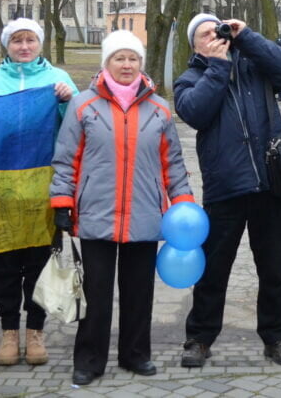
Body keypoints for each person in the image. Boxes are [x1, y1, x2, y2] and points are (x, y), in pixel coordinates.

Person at [50, 30, 194, 385]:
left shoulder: (159, 108)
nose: (127, 65)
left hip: (145, 215)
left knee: (139, 293)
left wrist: (184, 206)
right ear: (106, 63)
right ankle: (88, 360)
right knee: (96, 296)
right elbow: (66, 159)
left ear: (141, 64)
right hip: (97, 214)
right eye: (120, 58)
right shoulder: (83, 105)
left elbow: (172, 163)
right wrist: (62, 202)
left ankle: (135, 354)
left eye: (133, 59)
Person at [174, 13, 281, 368]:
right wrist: (217, 67)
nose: (212, 36)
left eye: (217, 30)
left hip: (270, 184)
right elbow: (196, 113)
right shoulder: (189, 79)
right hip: (225, 187)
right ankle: (199, 338)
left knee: (273, 269)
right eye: (203, 35)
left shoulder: (254, 65)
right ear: (194, 46)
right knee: (213, 270)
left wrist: (248, 37)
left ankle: (277, 338)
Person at [0, 18, 78, 366]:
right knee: (4, 267)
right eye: (16, 40)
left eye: (30, 40)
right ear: (7, 45)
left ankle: (36, 332)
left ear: (39, 43)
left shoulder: (58, 80)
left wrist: (66, 101)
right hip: (1, 189)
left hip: (42, 191)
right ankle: (9, 333)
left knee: (37, 265)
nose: (23, 46)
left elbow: (75, 128)